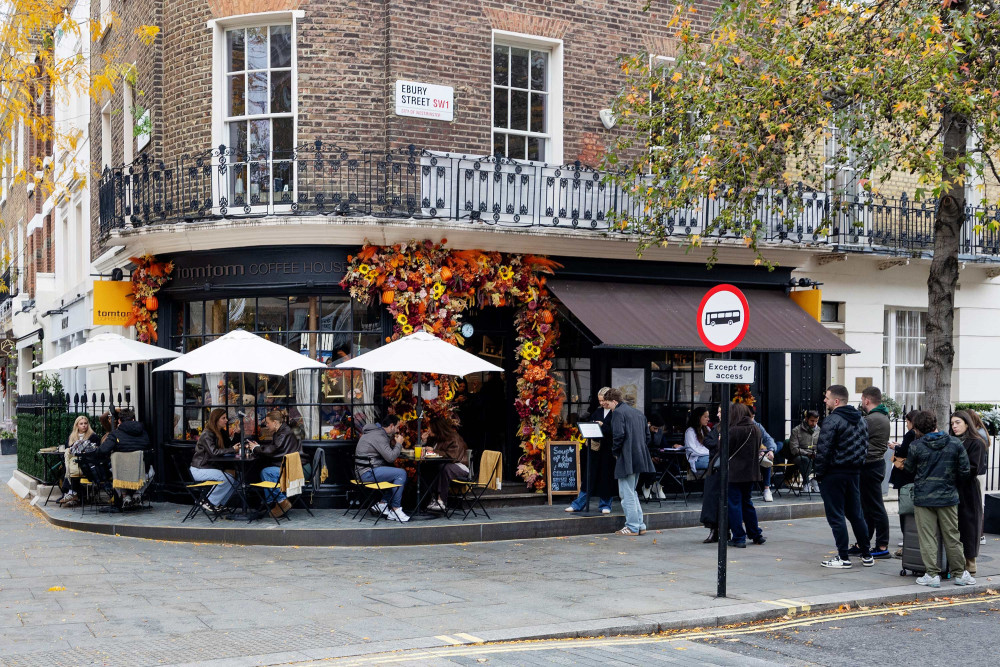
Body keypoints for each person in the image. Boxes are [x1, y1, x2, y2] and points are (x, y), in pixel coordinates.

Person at [903, 411, 973, 587]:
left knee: (927, 537)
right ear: (936, 422)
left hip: (923, 498)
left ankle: (932, 574)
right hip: (948, 498)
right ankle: (959, 574)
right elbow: (965, 471)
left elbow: (909, 470)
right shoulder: (955, 443)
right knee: (952, 536)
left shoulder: (916, 446)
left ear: (917, 428)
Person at [815, 384, 873, 569]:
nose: (825, 400)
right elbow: (864, 447)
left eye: (827, 397)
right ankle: (866, 554)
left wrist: (819, 473)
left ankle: (843, 557)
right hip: (854, 473)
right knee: (856, 515)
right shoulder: (862, 420)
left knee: (836, 515)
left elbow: (823, 450)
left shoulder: (832, 420)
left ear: (836, 401)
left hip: (834, 473)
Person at [607, 387, 655, 536]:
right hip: (640, 456)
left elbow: (618, 436)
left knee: (626, 493)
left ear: (614, 401)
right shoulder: (638, 413)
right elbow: (648, 437)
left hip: (626, 457)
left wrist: (615, 452)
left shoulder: (618, 413)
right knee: (632, 492)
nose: (607, 407)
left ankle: (633, 526)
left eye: (608, 404)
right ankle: (639, 525)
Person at [566, 387, 617, 514]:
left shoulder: (616, 413)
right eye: (599, 400)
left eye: (603, 400)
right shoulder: (597, 412)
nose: (601, 403)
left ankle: (605, 504)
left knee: (606, 477)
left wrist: (602, 426)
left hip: (608, 450)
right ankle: (578, 504)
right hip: (595, 449)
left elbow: (616, 431)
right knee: (589, 477)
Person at [248, 410, 306, 518]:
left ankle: (281, 501)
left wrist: (256, 448)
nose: (266, 425)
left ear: (275, 422)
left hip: (294, 469)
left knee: (266, 472)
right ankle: (273, 503)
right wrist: (258, 448)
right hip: (293, 465)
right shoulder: (282, 431)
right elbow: (275, 448)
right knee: (265, 471)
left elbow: (275, 449)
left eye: (268, 423)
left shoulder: (283, 433)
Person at [950, 410, 987, 579]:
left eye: (957, 422)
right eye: (952, 423)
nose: (954, 426)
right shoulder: (951, 441)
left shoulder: (976, 442)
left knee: (969, 525)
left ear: (966, 423)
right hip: (952, 488)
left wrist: (952, 470)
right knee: (954, 526)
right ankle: (955, 562)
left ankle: (970, 562)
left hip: (968, 489)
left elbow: (974, 468)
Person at [725, 403, 766, 547]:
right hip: (751, 473)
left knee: (734, 504)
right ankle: (755, 534)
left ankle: (739, 537)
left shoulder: (733, 430)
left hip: (734, 473)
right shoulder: (756, 429)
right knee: (747, 503)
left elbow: (724, 451)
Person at [353, 415, 409, 522]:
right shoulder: (379, 436)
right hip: (368, 473)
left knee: (395, 474)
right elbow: (391, 457)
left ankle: (382, 504)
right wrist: (398, 444)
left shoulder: (373, 432)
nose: (397, 430)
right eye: (397, 427)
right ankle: (395, 509)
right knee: (401, 474)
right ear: (391, 426)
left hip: (363, 472)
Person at [857, 386, 891, 559]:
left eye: (862, 399)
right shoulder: (880, 416)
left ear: (867, 400)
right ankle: (865, 542)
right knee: (868, 507)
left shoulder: (873, 419)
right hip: (873, 465)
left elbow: (856, 435)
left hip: (870, 466)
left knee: (875, 507)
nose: (861, 402)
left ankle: (882, 545)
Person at [188, 408, 238, 511]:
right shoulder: (207, 434)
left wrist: (237, 434)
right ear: (216, 420)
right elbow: (214, 452)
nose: (226, 420)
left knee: (236, 479)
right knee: (227, 479)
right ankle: (209, 501)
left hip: (210, 467)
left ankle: (219, 504)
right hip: (200, 469)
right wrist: (233, 449)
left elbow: (229, 447)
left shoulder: (221, 432)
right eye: (223, 418)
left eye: (226, 418)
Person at [422, 416, 470, 512]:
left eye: (430, 427)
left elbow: (452, 457)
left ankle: (441, 500)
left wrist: (434, 451)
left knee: (444, 468)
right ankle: (431, 499)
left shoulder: (453, 438)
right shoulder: (436, 438)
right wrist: (424, 441)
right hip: (443, 465)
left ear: (437, 428)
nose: (428, 430)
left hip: (459, 467)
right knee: (426, 467)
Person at [889, 410, 920, 556]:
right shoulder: (918, 434)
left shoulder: (911, 433)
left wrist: (895, 447)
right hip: (913, 476)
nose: (906, 425)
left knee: (905, 506)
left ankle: (907, 535)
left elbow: (903, 452)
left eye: (907, 422)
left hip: (905, 476)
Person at [58, 416, 101, 508]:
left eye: (85, 423)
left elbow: (95, 450)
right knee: (65, 468)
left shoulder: (93, 436)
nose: (84, 425)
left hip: (87, 463)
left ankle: (71, 493)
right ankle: (72, 493)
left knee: (72, 469)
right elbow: (68, 448)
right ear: (77, 425)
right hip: (74, 462)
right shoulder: (72, 436)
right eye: (81, 424)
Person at [788, 410, 820, 492]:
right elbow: (794, 449)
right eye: (812, 421)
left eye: (816, 421)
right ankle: (806, 482)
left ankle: (816, 479)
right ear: (806, 419)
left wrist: (816, 453)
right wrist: (807, 453)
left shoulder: (819, 430)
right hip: (798, 456)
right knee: (805, 460)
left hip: (814, 454)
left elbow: (822, 445)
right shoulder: (796, 430)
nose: (814, 423)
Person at [684, 407, 712, 472]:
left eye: (708, 417)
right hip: (696, 459)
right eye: (705, 417)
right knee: (716, 461)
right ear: (698, 417)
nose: (708, 419)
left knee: (720, 460)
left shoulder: (707, 429)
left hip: (708, 456)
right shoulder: (690, 431)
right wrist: (710, 453)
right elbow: (693, 450)